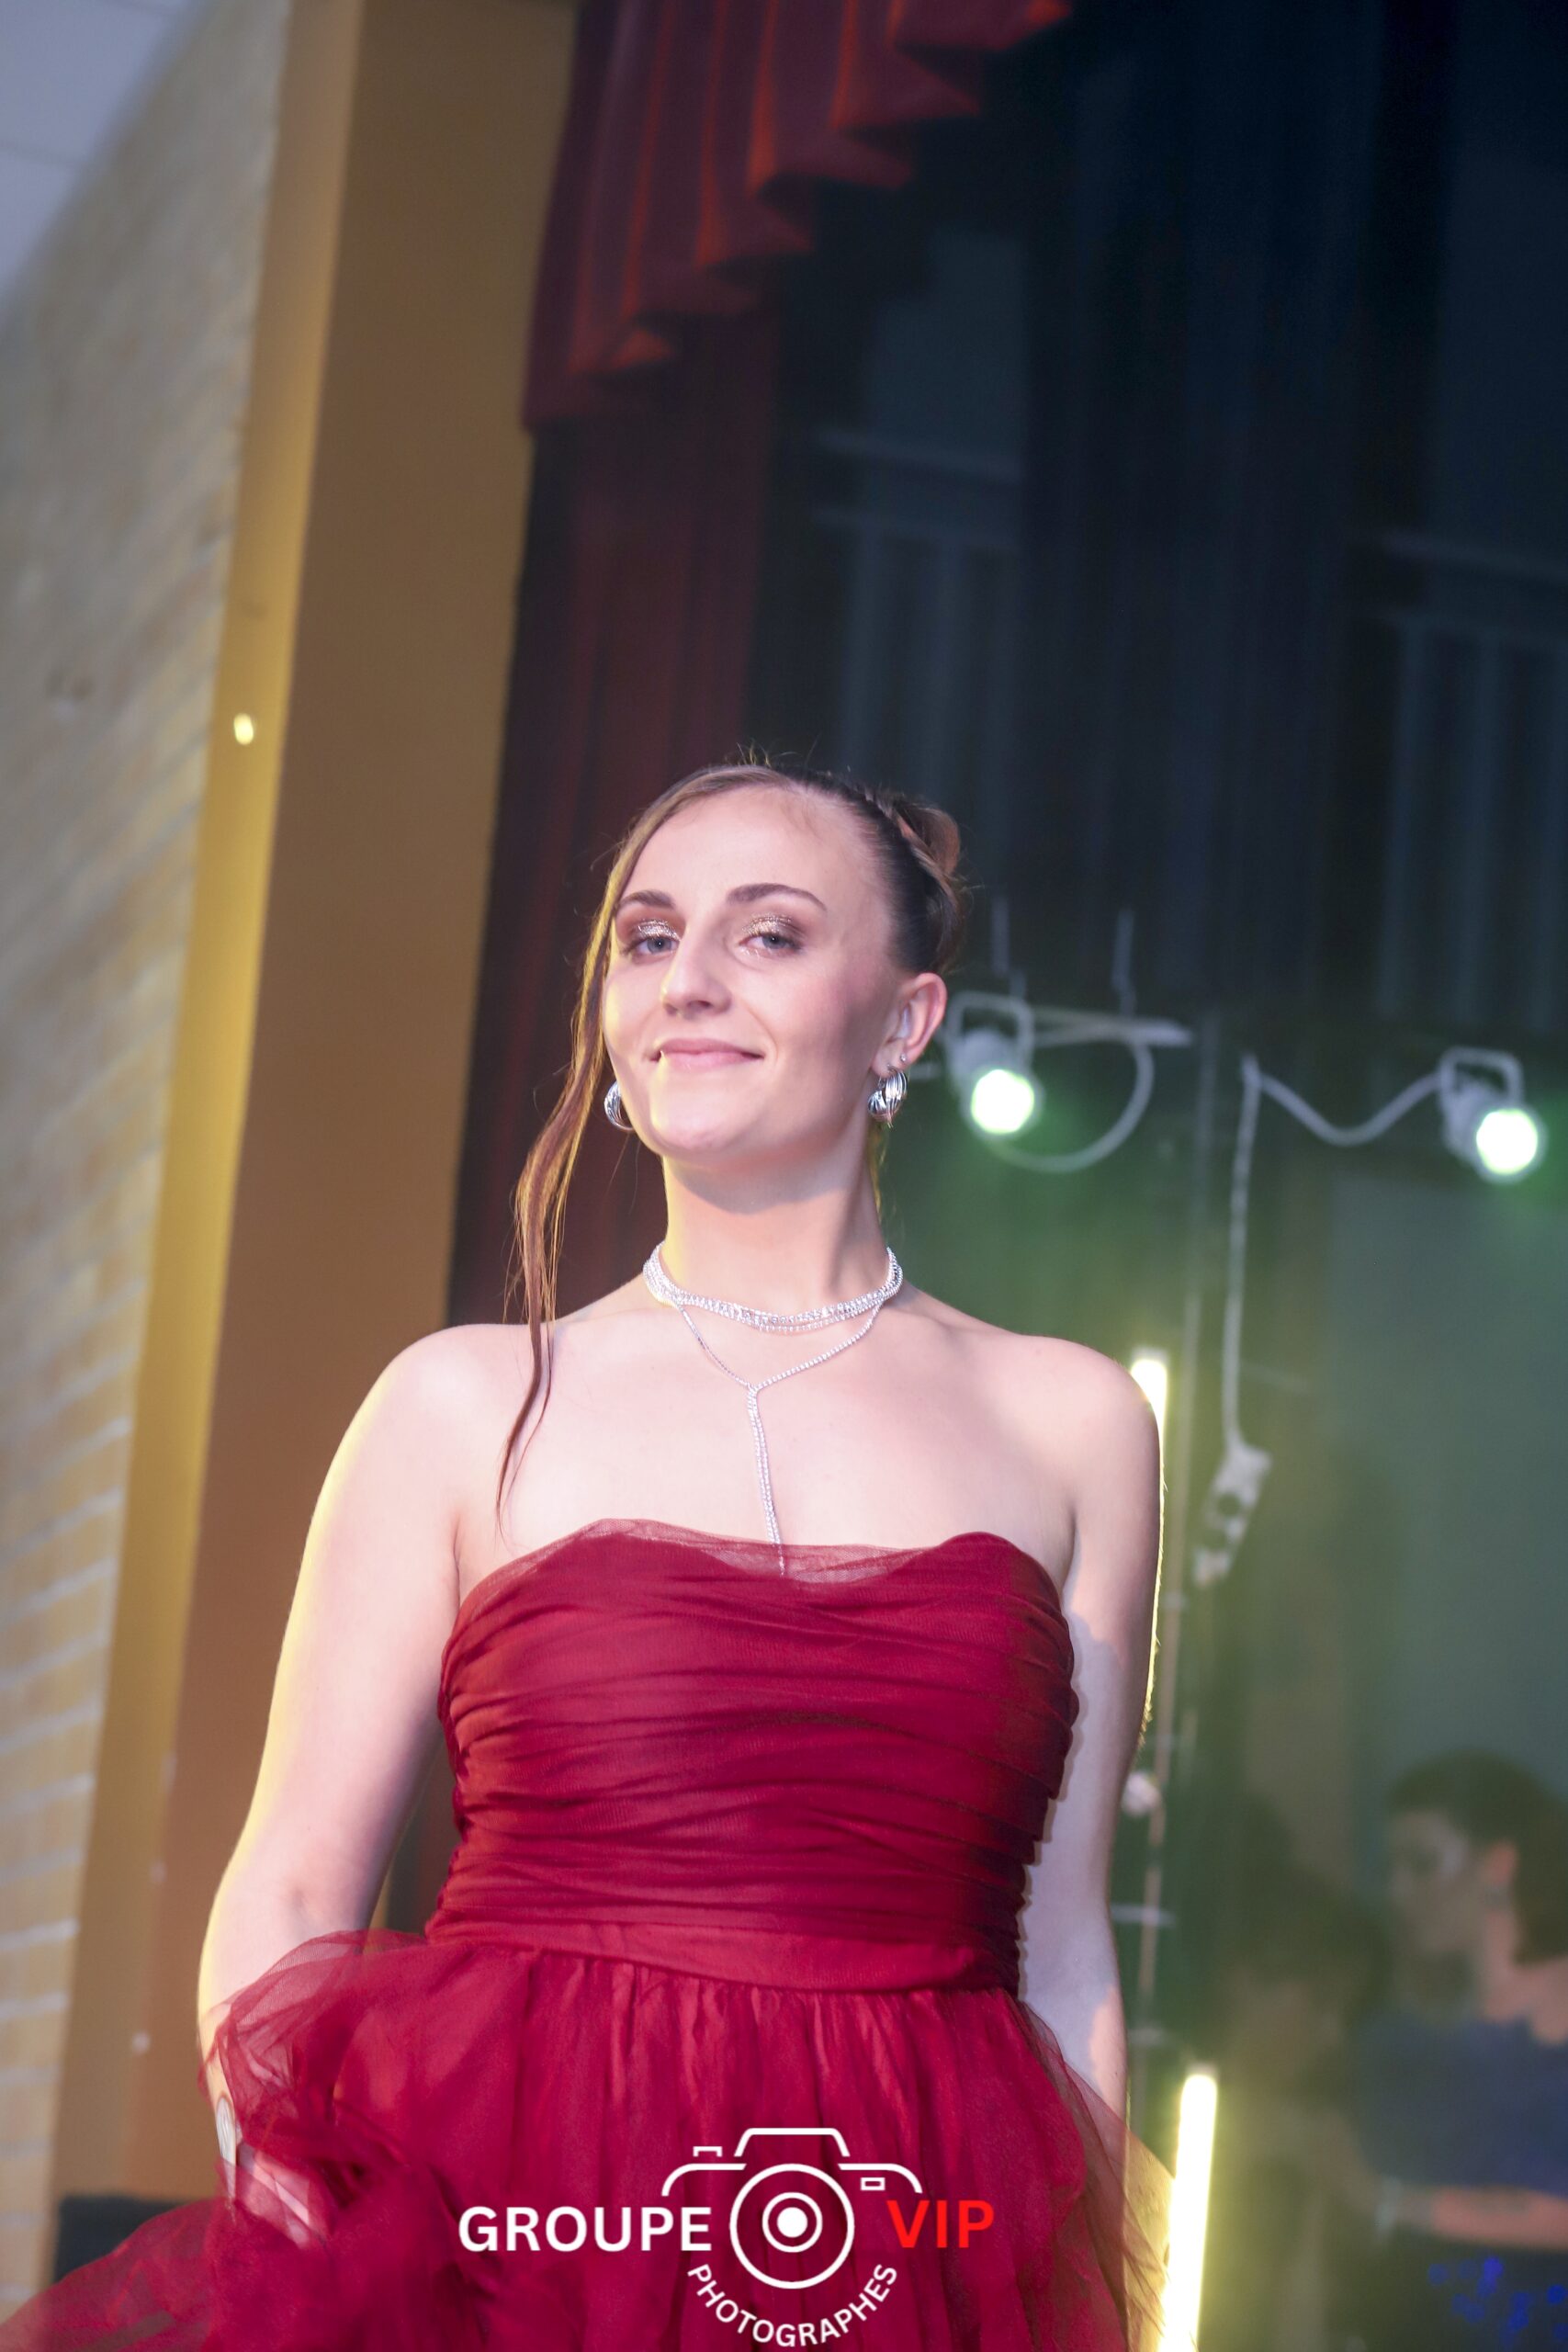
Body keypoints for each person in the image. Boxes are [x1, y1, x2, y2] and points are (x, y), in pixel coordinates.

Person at [0, 759, 1173, 2349]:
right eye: (647, 937)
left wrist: (1066, 2296)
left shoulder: (1071, 1421)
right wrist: (295, 2232)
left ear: (903, 1022)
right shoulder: (463, 1401)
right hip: (511, 2232)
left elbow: (1064, 1945)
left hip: (904, 2236)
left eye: (767, 935)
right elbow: (290, 1880)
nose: (685, 980)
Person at [1315, 1750, 1568, 2351]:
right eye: (1392, 1867)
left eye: (1423, 1863)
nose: (1398, 1891)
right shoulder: (1405, 2028)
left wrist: (1389, 2202)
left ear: (1498, 1863)